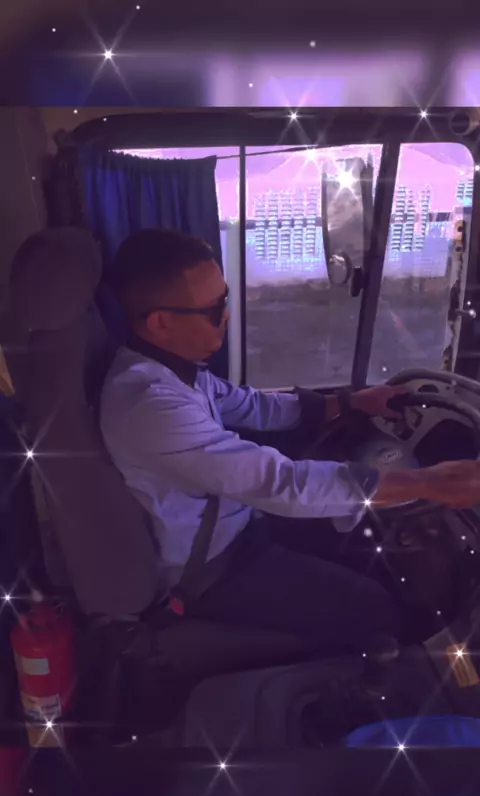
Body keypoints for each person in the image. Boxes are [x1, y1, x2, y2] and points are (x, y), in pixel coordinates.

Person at [100, 228, 480, 662]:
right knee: (373, 608)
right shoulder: (150, 407)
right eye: (214, 309)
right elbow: (280, 484)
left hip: (241, 525)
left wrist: (350, 402)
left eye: (226, 299)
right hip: (216, 566)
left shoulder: (174, 370)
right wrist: (427, 482)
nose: (227, 315)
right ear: (160, 323)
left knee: (368, 548)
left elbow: (251, 405)